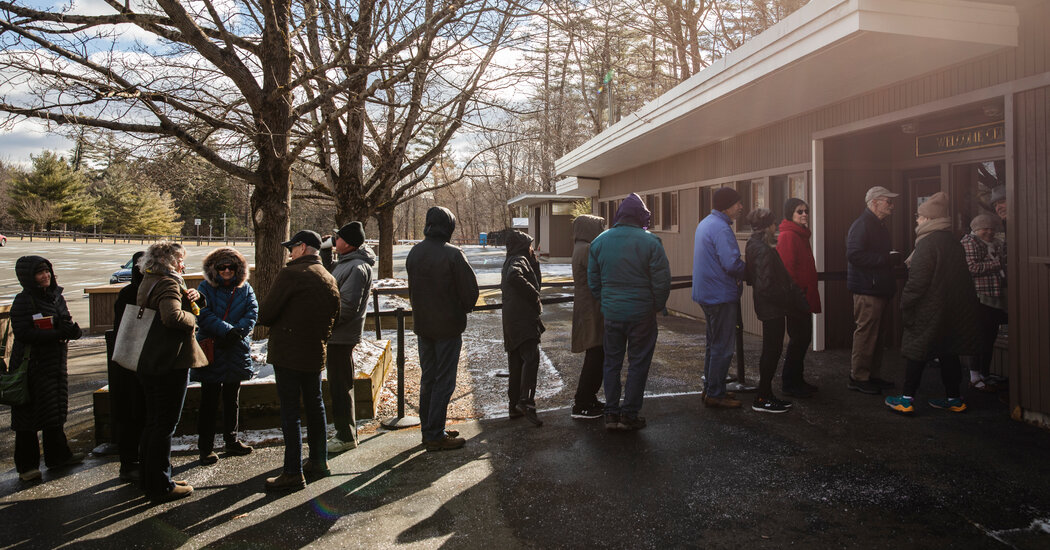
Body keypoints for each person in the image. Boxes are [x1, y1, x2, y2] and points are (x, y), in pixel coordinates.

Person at [257, 230, 341, 491]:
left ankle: (292, 471)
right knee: (315, 406)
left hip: (288, 351)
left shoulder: (291, 273)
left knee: (290, 411)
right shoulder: (328, 276)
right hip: (315, 350)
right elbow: (336, 316)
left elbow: (267, 314)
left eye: (292, 247)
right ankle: (319, 460)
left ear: (303, 247)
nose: (289, 252)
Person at [885, 192, 980, 414]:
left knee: (917, 352)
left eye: (919, 216)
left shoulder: (927, 244)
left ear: (929, 219)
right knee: (949, 352)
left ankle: (906, 399)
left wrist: (905, 303)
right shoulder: (953, 241)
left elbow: (917, 283)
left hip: (929, 309)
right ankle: (954, 398)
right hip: (953, 309)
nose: (916, 220)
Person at [588, 193, 671, 430]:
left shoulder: (600, 241)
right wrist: (655, 305)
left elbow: (593, 281)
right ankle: (630, 414)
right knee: (638, 363)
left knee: (611, 362)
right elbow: (662, 282)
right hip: (642, 314)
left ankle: (611, 413)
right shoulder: (651, 242)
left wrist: (606, 301)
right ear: (641, 216)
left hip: (612, 314)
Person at [137, 242, 208, 502]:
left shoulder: (150, 280)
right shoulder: (167, 283)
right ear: (170, 260)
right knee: (165, 424)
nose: (182, 264)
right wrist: (194, 319)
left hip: (150, 359)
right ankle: (161, 484)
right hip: (169, 361)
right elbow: (172, 317)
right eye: (180, 259)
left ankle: (150, 476)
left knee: (153, 420)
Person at [406, 207, 480, 451]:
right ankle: (435, 434)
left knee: (428, 378)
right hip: (448, 327)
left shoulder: (414, 253)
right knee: (444, 381)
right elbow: (470, 292)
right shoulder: (453, 255)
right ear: (449, 226)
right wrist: (463, 307)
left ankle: (429, 429)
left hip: (423, 326)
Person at [9, 256, 84, 483]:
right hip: (30, 366)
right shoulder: (23, 301)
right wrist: (58, 333)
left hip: (55, 363)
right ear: (28, 277)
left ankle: (58, 456)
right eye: (40, 272)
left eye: (47, 271)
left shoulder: (56, 295)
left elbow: (65, 320)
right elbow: (22, 333)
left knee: (55, 412)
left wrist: (71, 330)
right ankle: (27, 466)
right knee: (27, 419)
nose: (46, 276)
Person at [193, 247, 258, 464]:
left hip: (236, 349)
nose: (227, 270)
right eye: (222, 267)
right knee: (209, 400)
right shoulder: (205, 287)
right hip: (213, 347)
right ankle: (206, 447)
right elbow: (202, 313)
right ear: (214, 269)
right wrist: (226, 330)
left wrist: (238, 331)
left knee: (232, 399)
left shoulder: (245, 288)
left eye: (231, 266)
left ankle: (232, 440)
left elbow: (252, 310)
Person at [745, 209, 809, 413]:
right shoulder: (763, 249)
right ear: (768, 226)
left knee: (771, 350)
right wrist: (785, 297)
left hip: (767, 306)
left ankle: (764, 395)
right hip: (772, 308)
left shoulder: (752, 244)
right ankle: (763, 396)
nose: (777, 227)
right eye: (774, 224)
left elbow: (751, 277)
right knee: (772, 351)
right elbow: (765, 286)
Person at [321, 221, 375, 453]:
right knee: (338, 385)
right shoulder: (346, 262)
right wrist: (325, 249)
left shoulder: (356, 268)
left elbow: (347, 306)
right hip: (337, 334)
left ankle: (345, 435)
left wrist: (323, 321)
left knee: (341, 387)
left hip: (341, 335)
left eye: (338, 238)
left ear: (349, 243)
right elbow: (328, 273)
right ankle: (344, 432)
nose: (335, 240)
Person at [692, 187, 747, 409]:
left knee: (712, 344)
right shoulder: (722, 229)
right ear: (727, 205)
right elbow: (731, 263)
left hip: (707, 293)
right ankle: (715, 393)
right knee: (723, 346)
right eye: (737, 203)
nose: (741, 206)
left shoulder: (705, 223)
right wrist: (750, 270)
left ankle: (712, 388)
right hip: (720, 295)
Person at [846, 185, 901, 395]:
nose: (892, 206)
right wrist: (886, 259)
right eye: (888, 201)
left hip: (877, 288)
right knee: (867, 334)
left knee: (877, 335)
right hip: (868, 289)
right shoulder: (862, 225)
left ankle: (871, 375)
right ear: (874, 202)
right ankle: (858, 377)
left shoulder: (876, 224)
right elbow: (854, 255)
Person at [776, 198, 821, 397]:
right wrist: (798, 297)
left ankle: (797, 380)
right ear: (790, 215)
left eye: (806, 211)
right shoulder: (789, 236)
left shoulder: (801, 235)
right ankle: (789, 383)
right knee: (798, 340)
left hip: (803, 297)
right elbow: (787, 271)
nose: (804, 214)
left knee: (803, 340)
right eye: (799, 211)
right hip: (796, 299)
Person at [501, 230, 545, 427]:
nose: (531, 248)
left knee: (516, 361)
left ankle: (514, 405)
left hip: (512, 319)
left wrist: (534, 262)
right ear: (522, 246)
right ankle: (525, 401)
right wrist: (533, 294)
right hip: (523, 319)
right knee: (531, 358)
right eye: (529, 244)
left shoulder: (514, 258)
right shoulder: (519, 259)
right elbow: (514, 276)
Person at [960, 213, 1007, 392]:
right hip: (978, 297)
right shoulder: (969, 242)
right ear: (975, 229)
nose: (988, 232)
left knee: (990, 337)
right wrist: (996, 265)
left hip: (995, 296)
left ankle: (985, 374)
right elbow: (970, 268)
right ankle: (974, 376)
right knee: (979, 336)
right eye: (984, 229)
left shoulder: (996, 244)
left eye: (991, 229)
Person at [111, 250, 147, 483]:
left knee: (146, 413)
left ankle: (144, 459)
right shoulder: (130, 293)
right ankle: (130, 461)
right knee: (132, 413)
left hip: (147, 362)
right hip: (130, 361)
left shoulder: (154, 290)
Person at [569, 214, 606, 419]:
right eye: (600, 227)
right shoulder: (587, 249)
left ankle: (589, 398)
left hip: (588, 307)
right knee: (595, 354)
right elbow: (600, 274)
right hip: (592, 308)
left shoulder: (580, 247)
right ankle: (582, 402)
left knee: (596, 354)